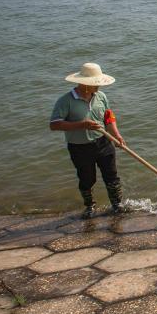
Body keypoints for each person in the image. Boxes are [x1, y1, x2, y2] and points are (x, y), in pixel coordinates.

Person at [50, 63, 127, 219]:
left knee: (111, 175)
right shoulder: (66, 101)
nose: (98, 86)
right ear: (84, 84)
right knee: (87, 178)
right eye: (95, 83)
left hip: (103, 142)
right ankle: (90, 206)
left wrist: (117, 136)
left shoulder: (101, 97)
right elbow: (54, 124)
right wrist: (82, 125)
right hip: (79, 147)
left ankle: (117, 205)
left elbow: (108, 118)